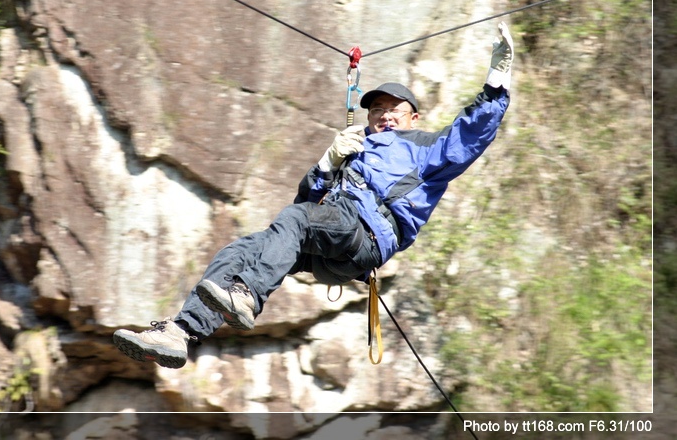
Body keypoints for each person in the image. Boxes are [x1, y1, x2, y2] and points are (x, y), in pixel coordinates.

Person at [113, 22, 514, 369]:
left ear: (414, 117)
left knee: (299, 220)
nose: (384, 116)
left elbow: (470, 134)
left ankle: (247, 294)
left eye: (394, 109)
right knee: (242, 250)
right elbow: (308, 196)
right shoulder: (355, 147)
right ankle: (181, 332)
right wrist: (328, 161)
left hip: (366, 235)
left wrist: (497, 79)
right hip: (335, 241)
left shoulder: (427, 149)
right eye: (377, 111)